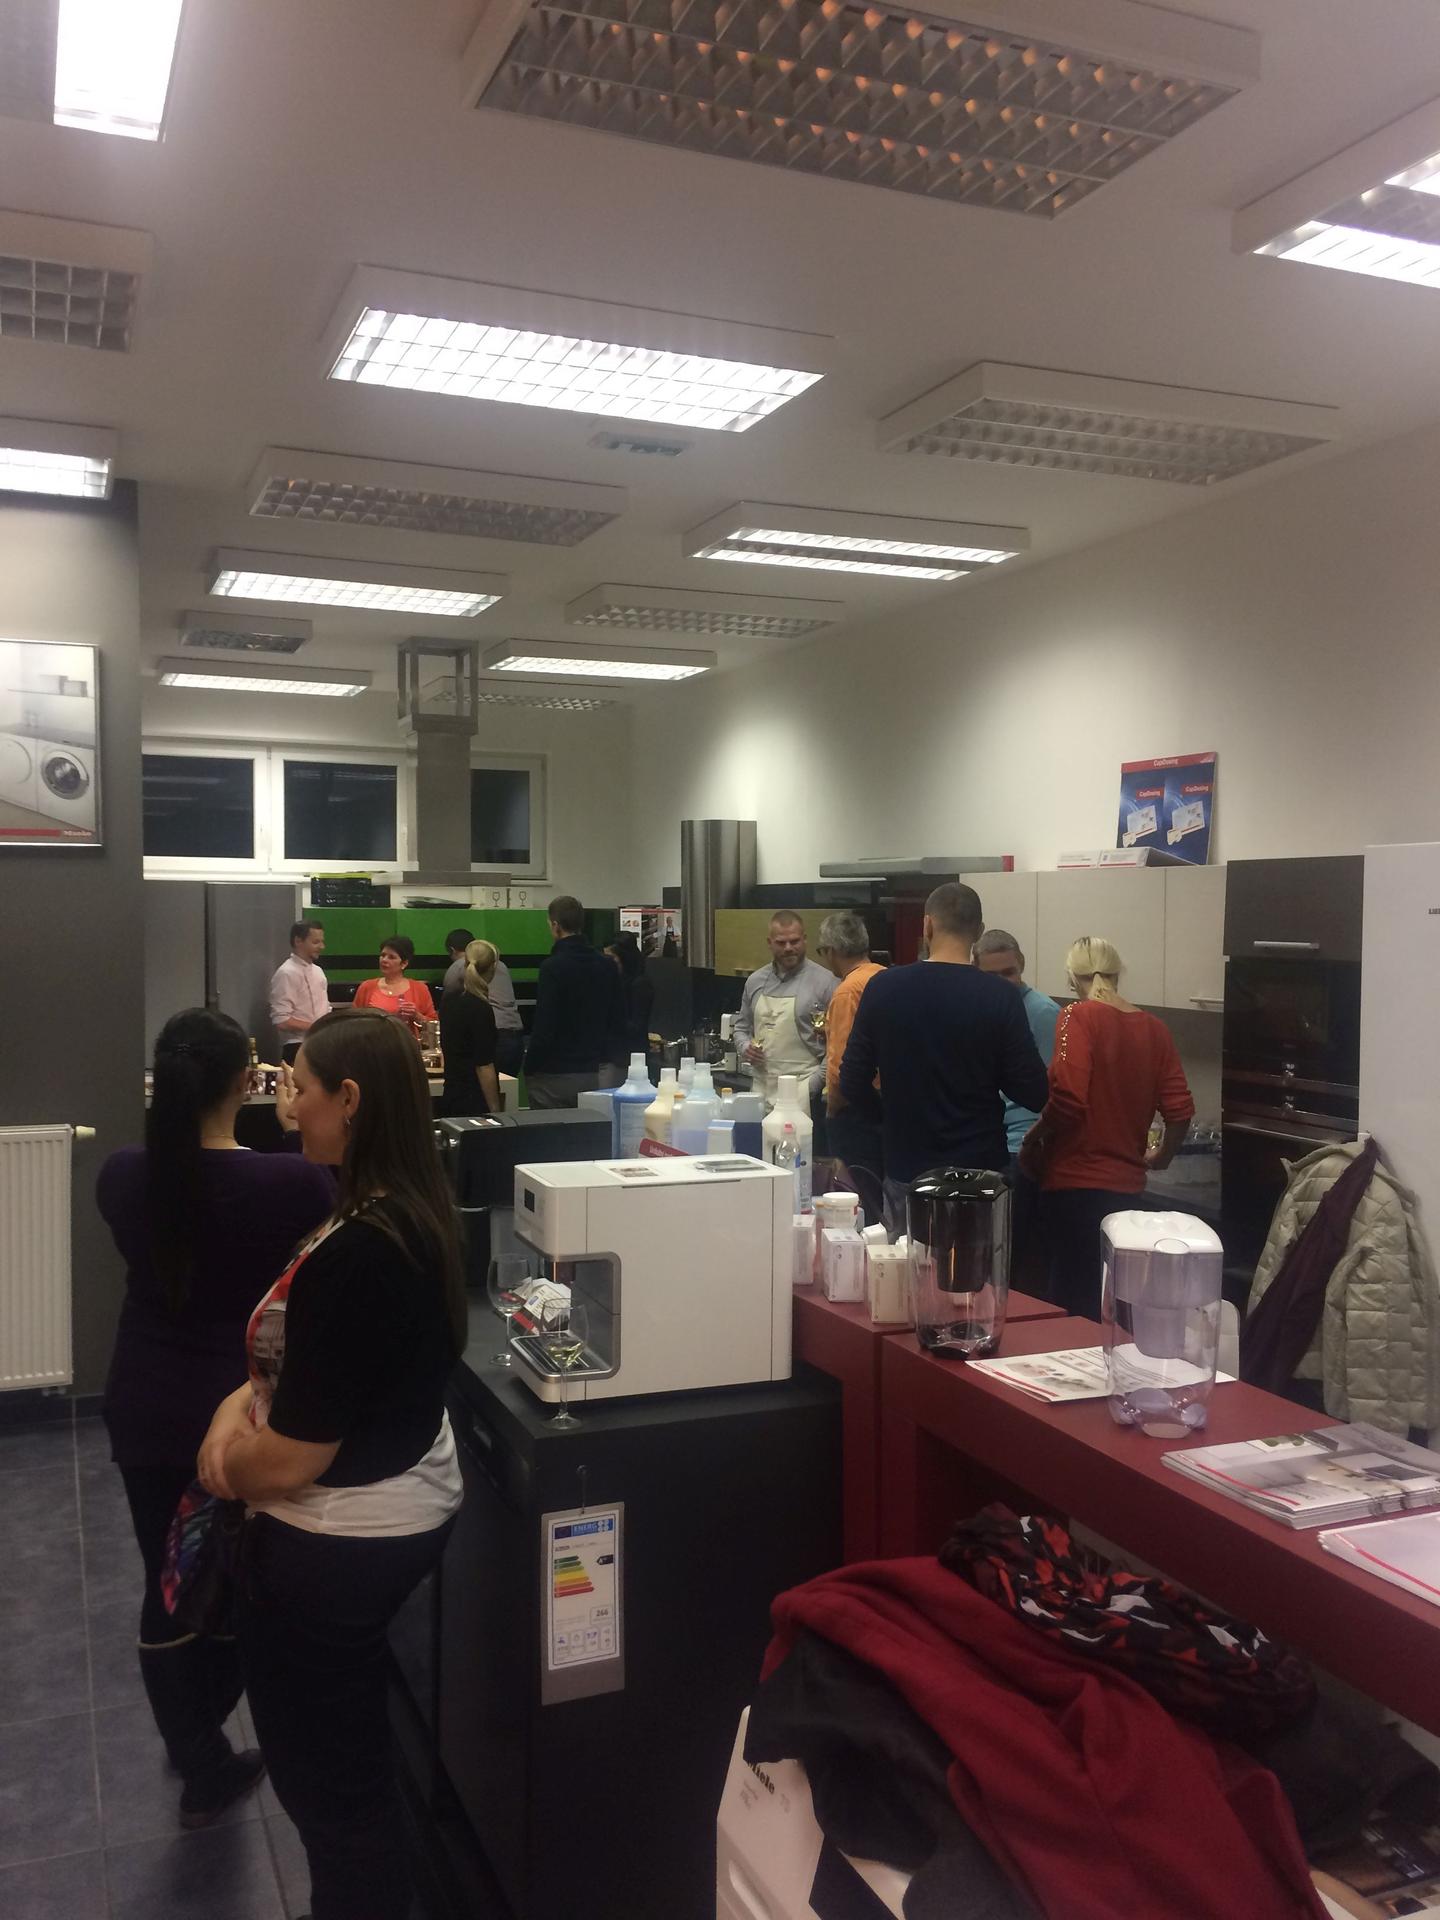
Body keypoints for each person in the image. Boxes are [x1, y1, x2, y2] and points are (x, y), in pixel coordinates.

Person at [197, 1010, 465, 1920]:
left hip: (333, 1550)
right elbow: (307, 1380)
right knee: (345, 1763)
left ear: (349, 1100)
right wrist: (240, 1407)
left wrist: (227, 1461)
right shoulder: (398, 1210)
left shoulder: (363, 1253)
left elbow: (294, 1458)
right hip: (369, 1521)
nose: (286, 1107)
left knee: (328, 1783)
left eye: (299, 1088)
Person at [96, 1009, 334, 1827]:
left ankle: (189, 1734)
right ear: (247, 1081)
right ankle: (201, 1750)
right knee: (235, 1584)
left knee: (167, 1578)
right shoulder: (289, 1184)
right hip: (238, 1413)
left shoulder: (122, 1176)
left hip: (142, 1400)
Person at [839, 884, 1049, 1233]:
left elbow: (850, 1080)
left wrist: (887, 1118)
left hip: (908, 1164)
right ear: (979, 932)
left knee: (907, 1261)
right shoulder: (1000, 996)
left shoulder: (884, 987)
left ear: (927, 926)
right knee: (979, 1267)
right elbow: (1034, 1091)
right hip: (980, 1171)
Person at [1019, 935, 1195, 1319]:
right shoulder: (1154, 1029)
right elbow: (1180, 1110)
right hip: (1127, 1195)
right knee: (1118, 1308)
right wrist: (1163, 1155)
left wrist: (1033, 1139)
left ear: (1071, 978)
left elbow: (1068, 1098)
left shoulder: (1076, 1017)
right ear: (1118, 974)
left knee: (1071, 1306)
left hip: (1073, 1190)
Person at [973, 928, 1061, 1293]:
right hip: (986, 1142)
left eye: (1008, 973)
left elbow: (1055, 1092)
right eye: (992, 976)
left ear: (1021, 965)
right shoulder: (980, 1008)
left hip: (1021, 1148)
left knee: (1008, 1259)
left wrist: (1033, 1143)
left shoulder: (1043, 1012)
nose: (1002, 983)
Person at [525, 895, 627, 1107]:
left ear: (555, 926)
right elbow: (618, 1018)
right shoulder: (607, 965)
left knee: (550, 1127)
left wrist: (530, 1065)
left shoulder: (552, 967)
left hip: (555, 1073)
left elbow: (545, 1025)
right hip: (595, 1071)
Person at [733, 911, 834, 1110]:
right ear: (769, 943)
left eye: (794, 941)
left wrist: (814, 1084)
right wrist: (745, 1048)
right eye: (781, 943)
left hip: (803, 1088)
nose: (788, 948)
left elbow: (837, 1046)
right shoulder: (755, 981)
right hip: (761, 1087)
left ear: (805, 939)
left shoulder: (826, 982)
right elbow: (741, 1028)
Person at [817, 912, 885, 1196]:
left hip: (855, 1113)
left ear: (832, 951)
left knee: (853, 1194)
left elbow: (841, 1067)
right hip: (887, 1106)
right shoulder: (886, 978)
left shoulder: (847, 992)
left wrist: (832, 1110)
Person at [443, 927, 525, 1078]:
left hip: (488, 1037)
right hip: (514, 1038)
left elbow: (448, 1007)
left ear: (452, 950)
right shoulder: (500, 965)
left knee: (484, 1087)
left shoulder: (458, 967)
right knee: (508, 1089)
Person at [439, 938, 502, 1117]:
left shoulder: (449, 1000)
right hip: (474, 1099)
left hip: (451, 1092)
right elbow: (484, 1065)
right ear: (493, 967)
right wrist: (495, 1109)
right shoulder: (481, 1008)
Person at [268, 919, 328, 1063]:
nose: (322, 947)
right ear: (298, 941)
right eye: (316, 942)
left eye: (322, 942)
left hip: (322, 1043)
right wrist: (317, 1026)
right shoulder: (286, 973)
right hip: (297, 1046)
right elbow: (281, 1020)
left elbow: (325, 1008)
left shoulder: (318, 971)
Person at [351, 935, 437, 1029]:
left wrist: (417, 1016)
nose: (384, 960)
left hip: (407, 1038)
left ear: (404, 963)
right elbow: (352, 1022)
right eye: (383, 955)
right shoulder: (367, 987)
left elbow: (433, 1024)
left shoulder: (419, 989)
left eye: (391, 957)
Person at [605, 929, 656, 1062]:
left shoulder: (639, 985)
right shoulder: (616, 981)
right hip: (614, 1054)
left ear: (624, 958)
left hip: (630, 1057)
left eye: (611, 958)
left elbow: (636, 1026)